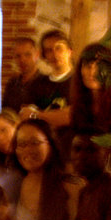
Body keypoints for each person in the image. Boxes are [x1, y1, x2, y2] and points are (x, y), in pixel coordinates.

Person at [38, 28, 74, 159]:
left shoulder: (80, 81)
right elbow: (26, 115)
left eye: (59, 48)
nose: (54, 54)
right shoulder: (38, 83)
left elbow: (71, 116)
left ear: (69, 51)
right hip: (45, 151)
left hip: (72, 150)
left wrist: (38, 115)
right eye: (49, 50)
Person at [2, 36, 53, 117]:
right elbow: (5, 111)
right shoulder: (12, 83)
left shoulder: (48, 83)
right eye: (18, 56)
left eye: (27, 55)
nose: (22, 60)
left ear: (37, 55)